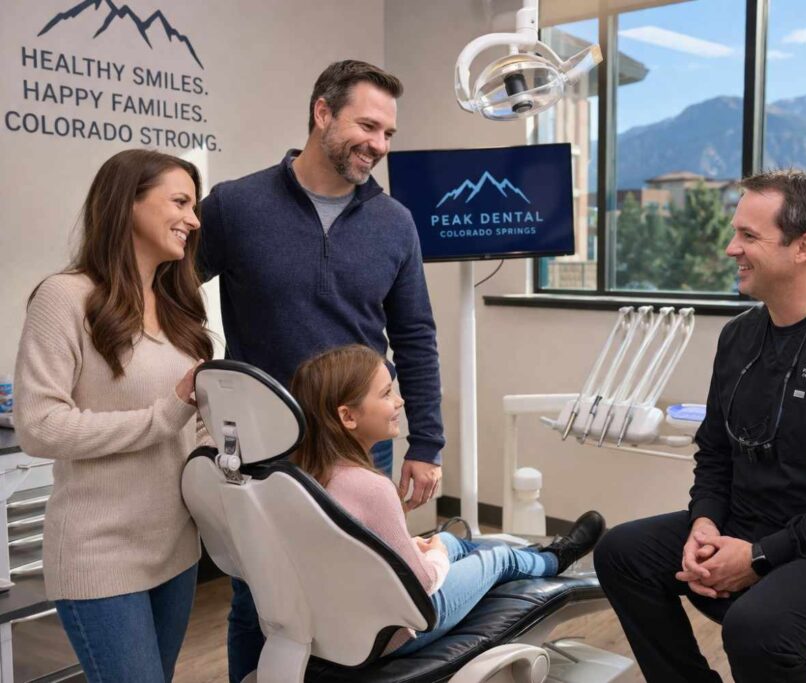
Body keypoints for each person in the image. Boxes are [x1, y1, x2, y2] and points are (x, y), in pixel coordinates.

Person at [593, 170, 806, 683]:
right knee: (622, 552)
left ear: (803, 247)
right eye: (735, 233)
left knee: (757, 627)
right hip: (753, 525)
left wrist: (757, 556)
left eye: (749, 236)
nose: (732, 248)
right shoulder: (738, 337)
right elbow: (714, 453)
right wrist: (705, 522)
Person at [197, 59, 445, 680]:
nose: (380, 145)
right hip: (262, 446)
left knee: (357, 601)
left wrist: (429, 442)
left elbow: (415, 335)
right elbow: (165, 288)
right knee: (261, 601)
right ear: (322, 113)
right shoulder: (236, 205)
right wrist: (193, 372)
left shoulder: (395, 223)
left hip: (359, 445)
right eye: (368, 125)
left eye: (389, 133)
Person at [14, 149, 212, 682]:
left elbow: (191, 424)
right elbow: (39, 425)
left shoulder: (179, 307)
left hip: (176, 549)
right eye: (180, 202)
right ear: (128, 204)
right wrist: (164, 415)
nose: (194, 220)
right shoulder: (65, 298)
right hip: (99, 554)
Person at [290, 344, 605, 654]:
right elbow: (423, 583)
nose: (399, 401)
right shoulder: (371, 487)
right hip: (396, 633)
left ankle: (529, 559)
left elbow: (347, 558)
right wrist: (436, 556)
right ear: (347, 416)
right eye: (386, 393)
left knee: (448, 540)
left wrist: (419, 548)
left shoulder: (302, 477)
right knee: (495, 556)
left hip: (343, 626)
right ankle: (555, 558)